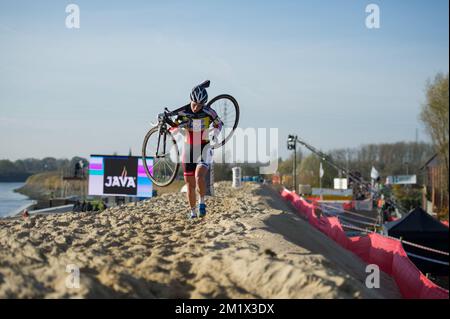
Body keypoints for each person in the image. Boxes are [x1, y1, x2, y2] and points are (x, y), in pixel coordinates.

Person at [170, 80, 222, 219]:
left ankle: (202, 203)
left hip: (204, 145)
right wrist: (176, 130)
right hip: (188, 149)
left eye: (200, 105)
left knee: (199, 176)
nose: (196, 107)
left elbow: (219, 123)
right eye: (194, 104)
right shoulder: (183, 112)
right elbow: (172, 126)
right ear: (190, 100)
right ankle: (192, 212)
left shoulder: (208, 112)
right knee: (189, 184)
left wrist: (215, 134)